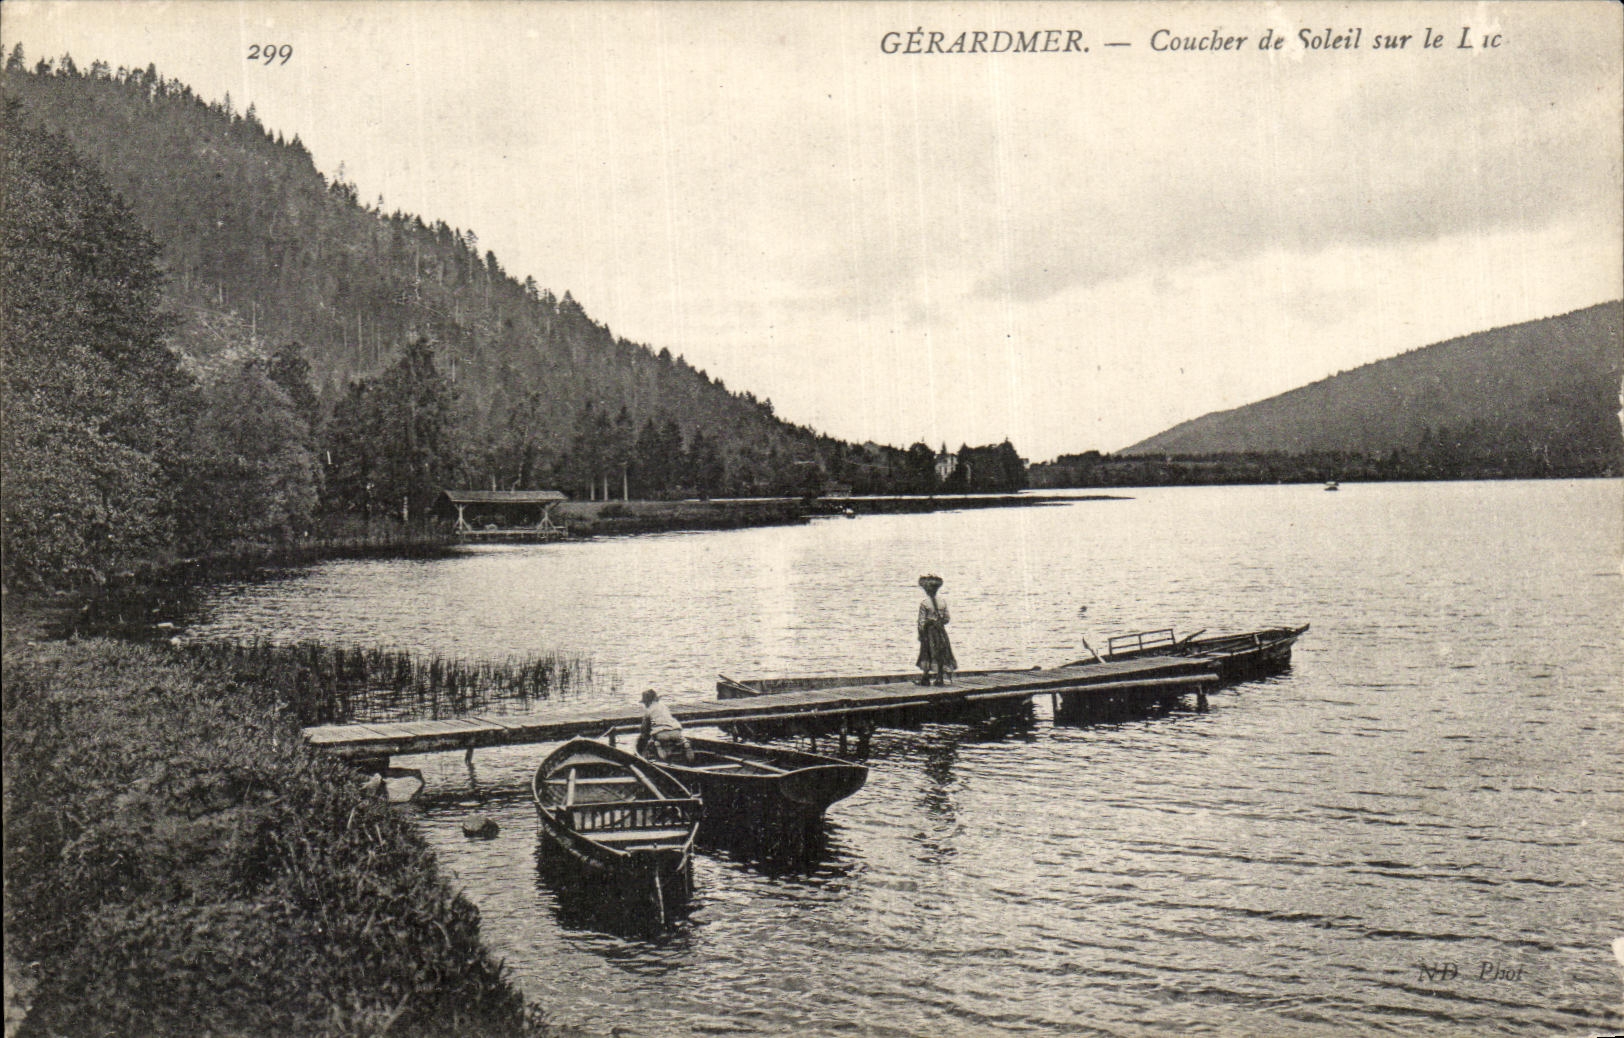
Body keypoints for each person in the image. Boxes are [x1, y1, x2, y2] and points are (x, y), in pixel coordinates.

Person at [916, 574, 957, 686]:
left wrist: (921, 633)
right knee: (941, 652)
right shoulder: (942, 602)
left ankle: (925, 678)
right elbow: (947, 619)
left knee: (926, 652)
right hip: (940, 631)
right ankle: (940, 678)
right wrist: (939, 622)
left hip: (929, 631)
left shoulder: (924, 603)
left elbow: (921, 621)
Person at [637, 689, 692, 763]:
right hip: (676, 731)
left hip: (661, 733)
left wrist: (644, 736)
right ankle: (685, 744)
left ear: (647, 702)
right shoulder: (664, 706)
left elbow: (644, 728)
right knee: (679, 740)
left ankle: (658, 748)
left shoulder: (649, 710)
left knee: (651, 744)